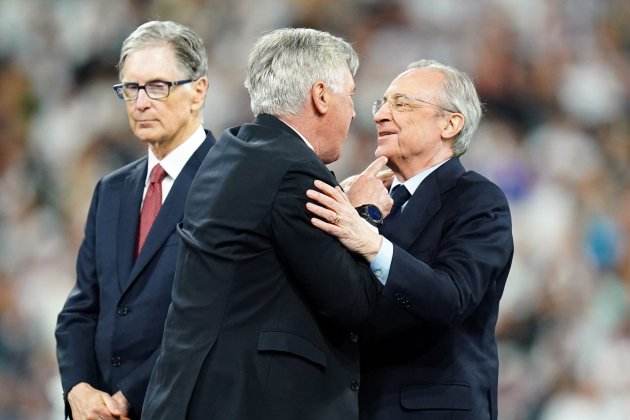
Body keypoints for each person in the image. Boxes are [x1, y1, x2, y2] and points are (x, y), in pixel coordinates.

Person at [141, 28, 391, 420]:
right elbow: (354, 300)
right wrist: (365, 215)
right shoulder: (295, 174)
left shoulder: (228, 152)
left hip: (188, 396)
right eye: (351, 96)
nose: (355, 112)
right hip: (247, 403)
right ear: (321, 96)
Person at [306, 59, 513, 420]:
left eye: (402, 104)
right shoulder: (361, 198)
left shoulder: (477, 199)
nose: (382, 115)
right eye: (381, 103)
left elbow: (452, 297)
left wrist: (369, 240)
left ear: (450, 123)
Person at [55, 20, 216, 420]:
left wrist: (128, 398)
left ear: (198, 91)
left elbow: (211, 317)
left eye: (158, 86)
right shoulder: (111, 190)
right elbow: (81, 308)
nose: (141, 102)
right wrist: (79, 390)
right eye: (130, 88)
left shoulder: (227, 182)